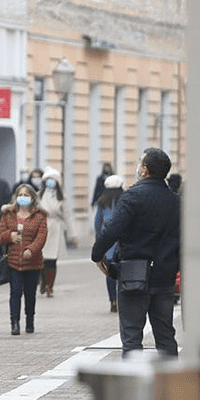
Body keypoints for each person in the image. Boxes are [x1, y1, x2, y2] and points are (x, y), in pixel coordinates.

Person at [91, 147, 180, 358]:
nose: (138, 167)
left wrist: (98, 254)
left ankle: (133, 386)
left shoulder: (132, 196)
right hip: (164, 276)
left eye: (140, 163)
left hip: (133, 274)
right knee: (166, 335)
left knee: (132, 337)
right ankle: (169, 388)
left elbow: (111, 229)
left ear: (145, 170)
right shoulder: (176, 201)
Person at [0, 184, 48, 335]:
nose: (23, 198)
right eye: (21, 195)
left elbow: (42, 236)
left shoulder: (39, 216)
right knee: (15, 292)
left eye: (26, 195)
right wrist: (9, 236)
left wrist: (31, 250)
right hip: (13, 262)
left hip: (33, 263)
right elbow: (0, 235)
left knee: (30, 293)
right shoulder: (8, 214)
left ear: (32, 197)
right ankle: (14, 322)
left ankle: (30, 320)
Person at [38, 166, 77, 297]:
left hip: (56, 228)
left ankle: (50, 286)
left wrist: (73, 234)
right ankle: (43, 282)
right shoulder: (39, 195)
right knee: (41, 259)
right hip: (42, 228)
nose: (50, 182)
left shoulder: (62, 197)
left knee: (52, 260)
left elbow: (67, 215)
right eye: (48, 180)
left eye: (52, 180)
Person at [94, 174, 125, 313]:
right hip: (122, 240)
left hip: (108, 241)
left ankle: (113, 300)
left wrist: (99, 241)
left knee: (110, 271)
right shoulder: (124, 200)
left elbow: (97, 222)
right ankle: (121, 298)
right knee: (123, 271)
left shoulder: (102, 201)